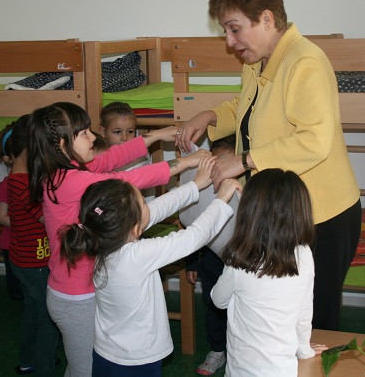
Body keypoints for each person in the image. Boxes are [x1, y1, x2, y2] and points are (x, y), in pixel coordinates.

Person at [176, 0, 361, 331]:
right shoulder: (256, 61)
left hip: (322, 216)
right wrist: (211, 116)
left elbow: (313, 140)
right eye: (225, 31)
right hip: (282, 211)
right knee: (278, 319)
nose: (229, 41)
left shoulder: (305, 63)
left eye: (234, 29)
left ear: (266, 19)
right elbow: (247, 109)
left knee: (313, 325)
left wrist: (243, 161)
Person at [27, 101, 209, 376]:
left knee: (84, 367)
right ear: (62, 144)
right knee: (84, 370)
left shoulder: (66, 170)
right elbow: (127, 179)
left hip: (78, 292)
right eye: (84, 133)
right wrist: (187, 162)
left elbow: (110, 158)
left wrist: (155, 136)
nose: (93, 137)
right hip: (76, 298)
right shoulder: (71, 181)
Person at [58, 159, 241, 376]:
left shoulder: (102, 240)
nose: (149, 206)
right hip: (138, 361)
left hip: (105, 354)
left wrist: (194, 186)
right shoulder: (137, 256)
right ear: (136, 228)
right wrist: (221, 200)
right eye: (144, 202)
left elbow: (157, 209)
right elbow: (193, 237)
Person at [211, 169, 327, 376]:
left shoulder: (240, 259)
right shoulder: (304, 255)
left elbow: (218, 300)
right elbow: (304, 311)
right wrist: (304, 350)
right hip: (283, 371)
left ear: (249, 212)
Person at [3, 114, 60, 376]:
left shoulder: (16, 179)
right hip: (35, 264)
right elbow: (49, 219)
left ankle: (28, 359)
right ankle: (45, 368)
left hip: (23, 260)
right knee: (47, 317)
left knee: (33, 311)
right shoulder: (24, 185)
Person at [184, 135, 237, 375]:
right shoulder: (205, 190)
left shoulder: (243, 191)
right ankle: (217, 350)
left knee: (239, 310)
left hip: (240, 262)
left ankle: (236, 350)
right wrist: (192, 263)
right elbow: (193, 227)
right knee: (214, 308)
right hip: (210, 262)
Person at [0, 120, 24, 300]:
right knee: (15, 283)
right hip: (11, 243)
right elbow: (2, 217)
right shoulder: (7, 185)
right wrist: (25, 222)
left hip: (33, 244)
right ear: (8, 159)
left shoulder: (38, 182)